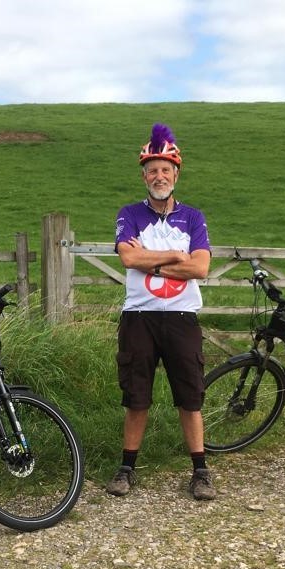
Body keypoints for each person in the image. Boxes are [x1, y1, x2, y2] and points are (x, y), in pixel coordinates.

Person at [106, 123, 216, 501]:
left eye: (165, 169)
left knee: (190, 396)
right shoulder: (130, 213)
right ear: (144, 176)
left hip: (182, 317)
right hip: (140, 316)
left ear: (176, 174)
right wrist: (173, 256)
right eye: (152, 170)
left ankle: (200, 470)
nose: (159, 176)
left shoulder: (193, 217)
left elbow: (200, 268)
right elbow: (127, 256)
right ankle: (126, 468)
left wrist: (148, 263)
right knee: (136, 396)